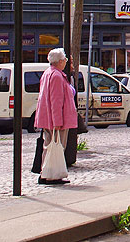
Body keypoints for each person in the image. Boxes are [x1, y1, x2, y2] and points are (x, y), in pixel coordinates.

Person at [34, 48, 77, 185]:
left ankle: (49, 173)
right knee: (56, 147)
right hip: (56, 120)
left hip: (47, 118)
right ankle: (50, 175)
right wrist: (57, 121)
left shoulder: (48, 73)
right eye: (64, 60)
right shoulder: (57, 76)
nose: (65, 62)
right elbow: (56, 100)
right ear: (59, 61)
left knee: (50, 146)